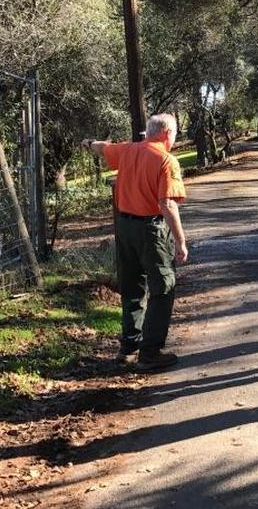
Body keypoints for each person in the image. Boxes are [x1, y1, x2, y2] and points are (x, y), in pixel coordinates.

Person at [82, 114, 189, 372]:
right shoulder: (166, 160)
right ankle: (150, 352)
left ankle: (128, 348)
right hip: (150, 230)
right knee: (163, 286)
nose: (175, 139)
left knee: (132, 286)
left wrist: (87, 142)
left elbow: (102, 148)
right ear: (166, 133)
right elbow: (167, 204)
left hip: (124, 228)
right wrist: (180, 241)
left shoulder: (128, 150)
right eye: (175, 134)